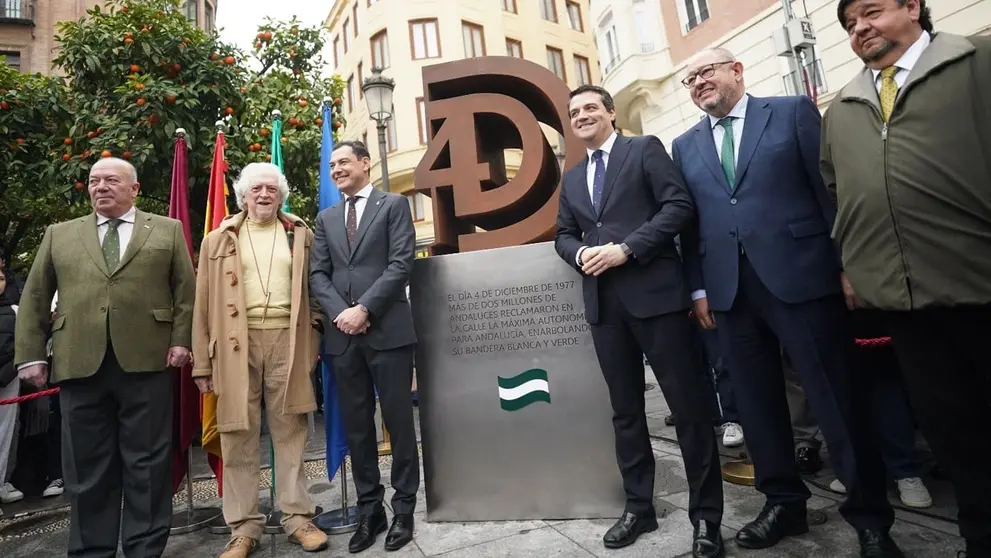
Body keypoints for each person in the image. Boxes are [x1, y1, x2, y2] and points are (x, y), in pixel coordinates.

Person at [672, 48, 901, 556]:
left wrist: (846, 264)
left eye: (706, 70)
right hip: (729, 291)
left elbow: (829, 191)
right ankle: (783, 504)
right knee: (755, 406)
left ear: (737, 69)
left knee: (836, 400)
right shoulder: (684, 145)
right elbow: (689, 226)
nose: (698, 82)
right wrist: (699, 288)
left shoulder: (792, 111)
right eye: (690, 79)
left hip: (803, 278)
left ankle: (870, 519)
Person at [822, 1, 991, 554]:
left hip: (977, 281)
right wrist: (852, 262)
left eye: (871, 12)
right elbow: (837, 190)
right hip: (901, 298)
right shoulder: (844, 106)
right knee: (950, 432)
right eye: (849, 24)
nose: (860, 28)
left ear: (914, 8)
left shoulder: (976, 62)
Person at [554, 85, 724, 558]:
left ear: (610, 113)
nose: (583, 116)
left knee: (689, 411)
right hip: (605, 309)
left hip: (657, 300)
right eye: (574, 113)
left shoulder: (643, 149)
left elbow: (679, 207)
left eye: (591, 108)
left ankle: (707, 518)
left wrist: (627, 248)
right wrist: (582, 252)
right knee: (625, 413)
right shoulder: (570, 179)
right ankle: (639, 508)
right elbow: (562, 236)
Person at [14, 157, 195, 557]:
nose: (101, 187)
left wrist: (182, 340)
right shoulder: (59, 235)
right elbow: (35, 297)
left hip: (148, 362)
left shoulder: (167, 230)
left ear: (134, 188)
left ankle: (144, 548)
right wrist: (30, 355)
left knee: (147, 465)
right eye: (94, 181)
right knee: (86, 468)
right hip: (79, 363)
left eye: (111, 180)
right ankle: (91, 550)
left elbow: (185, 293)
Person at [191, 162, 329, 557]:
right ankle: (244, 527)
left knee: (291, 433)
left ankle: (298, 518)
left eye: (271, 188)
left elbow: (316, 289)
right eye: (257, 189)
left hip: (289, 339)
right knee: (237, 436)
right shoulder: (217, 239)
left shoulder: (300, 235)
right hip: (234, 345)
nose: (264, 195)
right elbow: (201, 306)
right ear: (243, 196)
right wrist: (202, 363)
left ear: (281, 195)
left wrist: (313, 335)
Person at [309, 141, 419, 554]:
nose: (336, 169)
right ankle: (371, 509)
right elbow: (318, 274)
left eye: (344, 162)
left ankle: (404, 509)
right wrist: (343, 314)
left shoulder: (392, 206)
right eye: (332, 164)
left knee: (399, 423)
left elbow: (401, 263)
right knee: (357, 428)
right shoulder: (327, 217)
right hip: (342, 336)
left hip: (387, 331)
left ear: (365, 164)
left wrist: (365, 308)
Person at [0, 268, 24, 511]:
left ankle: (1, 481)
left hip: (8, 378)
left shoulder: (16, 311)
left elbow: (23, 342)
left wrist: (10, 370)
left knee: (5, 432)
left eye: (1, 277)